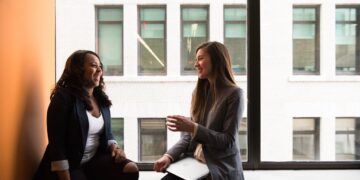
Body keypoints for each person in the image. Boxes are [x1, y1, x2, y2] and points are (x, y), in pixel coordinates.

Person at [33, 50, 139, 180]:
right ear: (78, 69)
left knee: (130, 169)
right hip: (70, 165)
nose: (99, 70)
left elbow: (107, 133)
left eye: (100, 67)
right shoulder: (63, 98)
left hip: (94, 160)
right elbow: (57, 145)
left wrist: (115, 147)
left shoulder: (101, 99)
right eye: (94, 66)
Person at [154, 41, 245, 180]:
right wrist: (168, 156)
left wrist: (194, 127)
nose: (196, 64)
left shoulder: (234, 94)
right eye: (196, 60)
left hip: (218, 165)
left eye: (201, 58)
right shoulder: (200, 92)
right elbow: (189, 136)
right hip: (194, 162)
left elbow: (228, 141)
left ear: (216, 60)